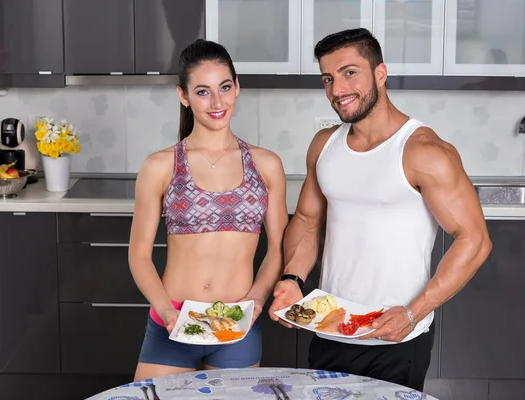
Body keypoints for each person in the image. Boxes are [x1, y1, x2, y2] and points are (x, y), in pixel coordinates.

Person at [269, 28, 492, 392]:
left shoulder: (424, 151)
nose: (337, 90)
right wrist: (293, 279)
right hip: (329, 328)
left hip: (395, 338)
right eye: (328, 78)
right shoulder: (324, 145)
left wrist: (413, 312)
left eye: (349, 72)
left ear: (380, 73)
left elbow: (475, 241)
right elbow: (308, 222)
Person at [129, 39, 288, 381]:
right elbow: (139, 255)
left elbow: (277, 248)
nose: (217, 102)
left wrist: (257, 300)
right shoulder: (160, 166)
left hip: (237, 325)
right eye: (203, 92)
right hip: (172, 322)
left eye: (225, 87)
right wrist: (164, 312)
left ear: (237, 88)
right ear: (183, 96)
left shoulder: (267, 165)